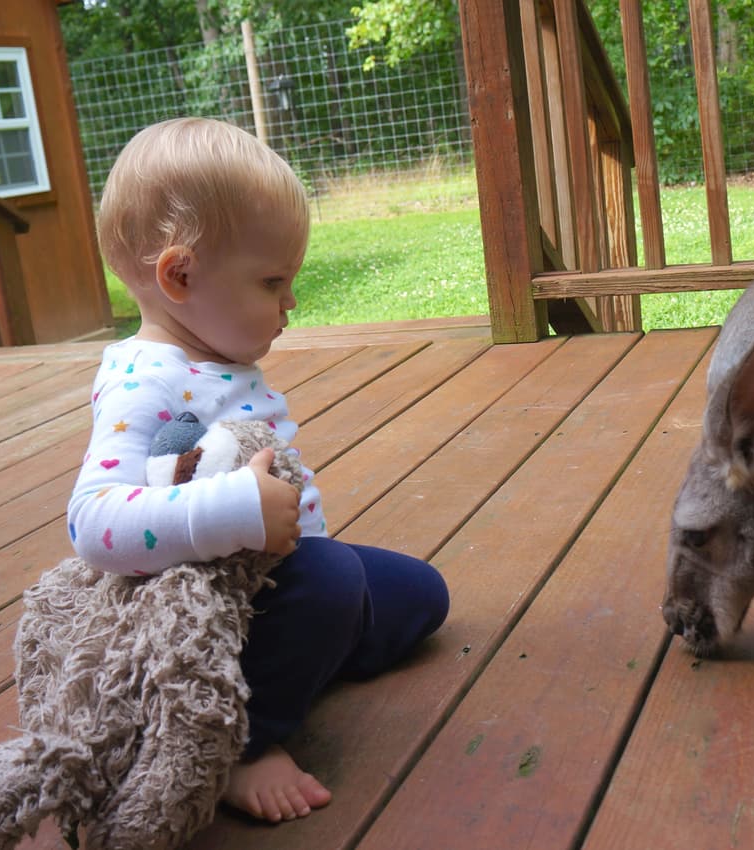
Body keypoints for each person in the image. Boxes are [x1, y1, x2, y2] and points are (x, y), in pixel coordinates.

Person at [67, 117, 449, 823]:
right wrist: (235, 511)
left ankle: (301, 656)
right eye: (274, 281)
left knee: (421, 595)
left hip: (276, 572)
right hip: (207, 602)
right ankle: (240, 741)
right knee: (335, 581)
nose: (292, 302)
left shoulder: (214, 358)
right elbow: (92, 523)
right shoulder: (143, 381)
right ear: (179, 274)